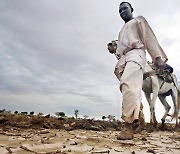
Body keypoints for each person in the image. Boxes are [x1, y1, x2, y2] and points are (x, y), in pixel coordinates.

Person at [108, 2, 168, 139]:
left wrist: (157, 57)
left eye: (124, 9)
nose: (122, 12)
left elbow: (149, 37)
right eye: (119, 11)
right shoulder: (122, 30)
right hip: (124, 58)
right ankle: (139, 119)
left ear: (131, 9)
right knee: (131, 88)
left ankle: (128, 126)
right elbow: (120, 49)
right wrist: (114, 50)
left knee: (127, 83)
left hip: (136, 54)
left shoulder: (138, 20)